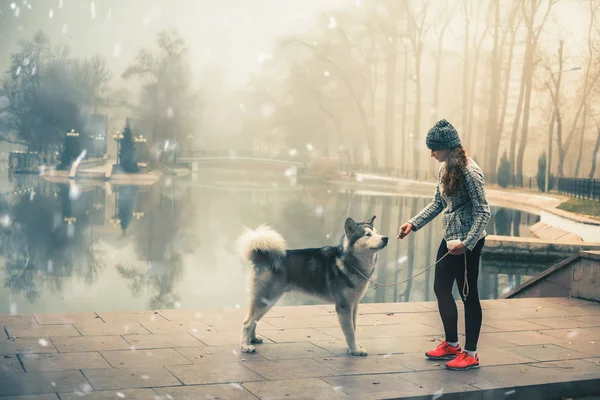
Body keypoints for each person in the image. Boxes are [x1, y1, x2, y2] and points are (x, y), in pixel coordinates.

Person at [397, 119, 491, 371]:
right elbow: (438, 203)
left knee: (468, 296)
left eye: (434, 148)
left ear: (448, 147)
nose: (431, 153)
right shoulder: (444, 169)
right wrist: (412, 223)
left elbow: (483, 212)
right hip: (449, 239)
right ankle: (451, 345)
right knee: (440, 289)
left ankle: (471, 354)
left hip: (468, 243)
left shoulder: (471, 172)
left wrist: (467, 243)